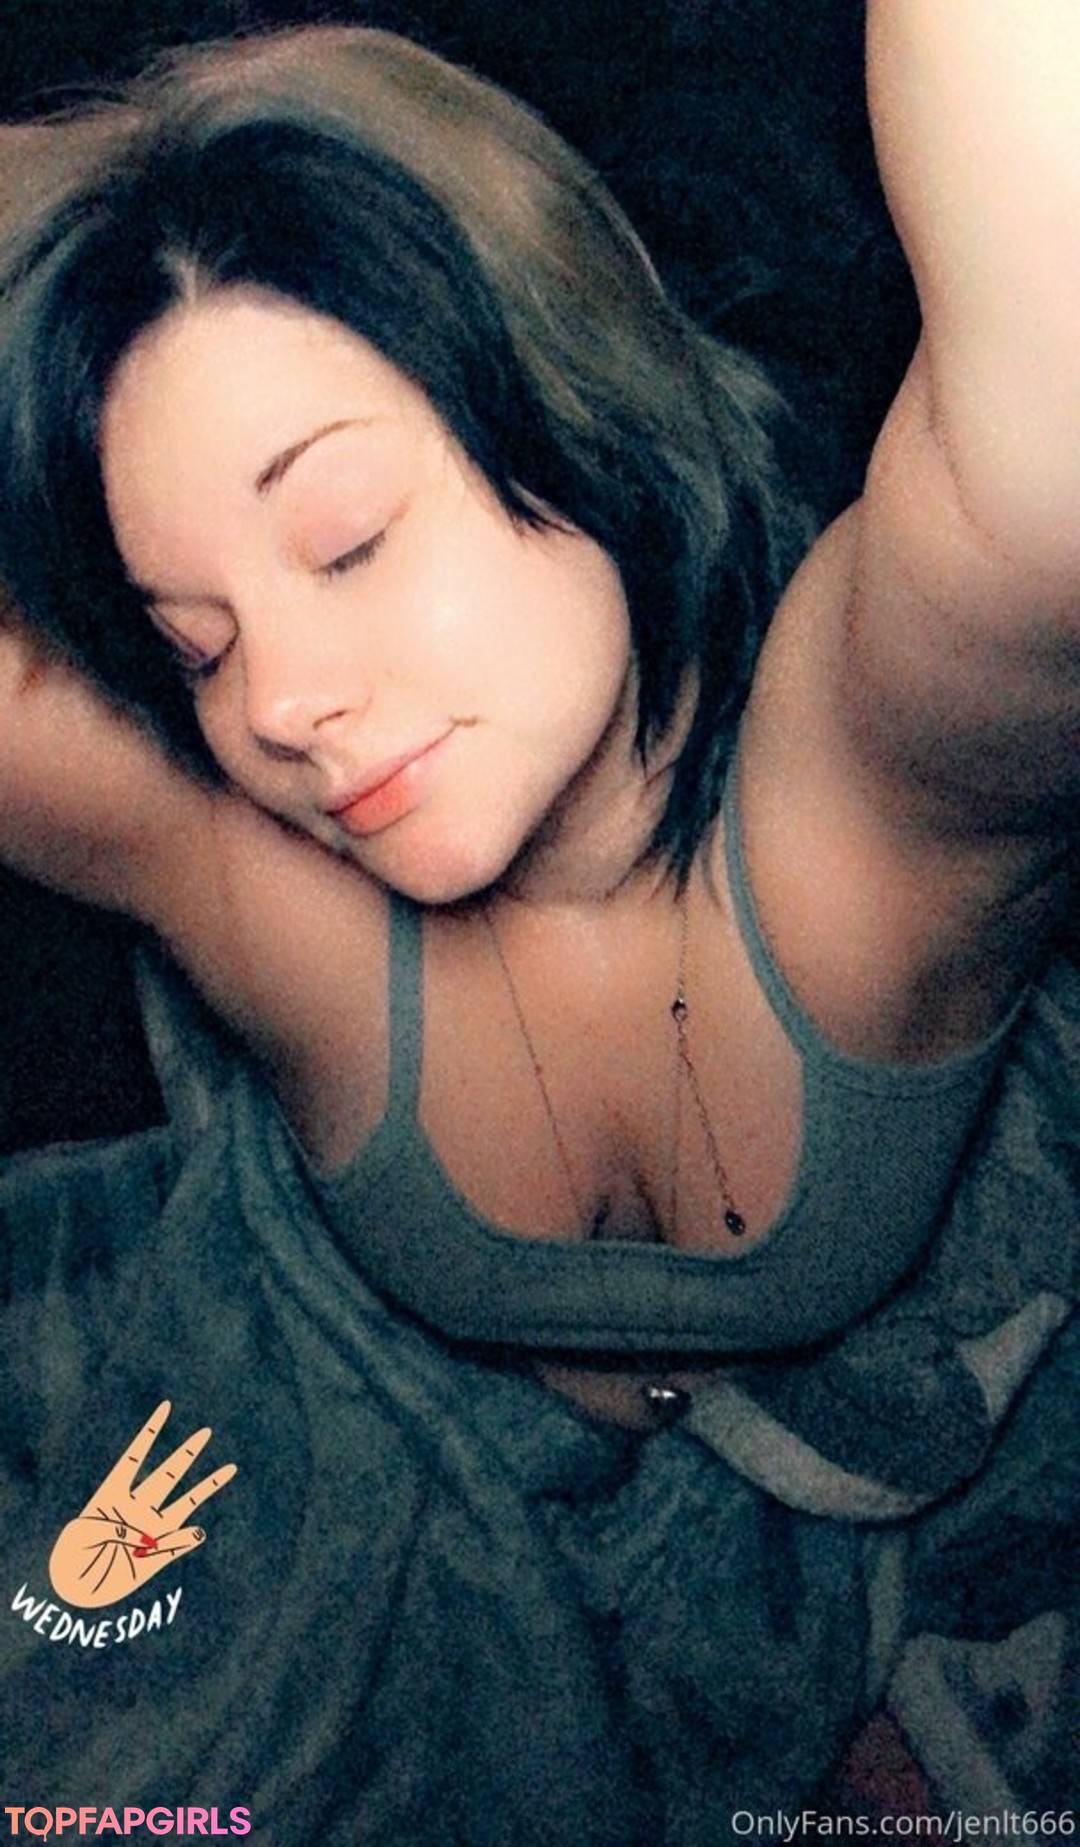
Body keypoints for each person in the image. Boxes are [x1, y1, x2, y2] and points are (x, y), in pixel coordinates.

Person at [0, 7, 1077, 1835]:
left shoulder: (871, 805)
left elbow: (1051, 431)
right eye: (196, 647)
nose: (278, 707)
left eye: (347, 540)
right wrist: (138, 179)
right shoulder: (252, 890)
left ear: (576, 382)